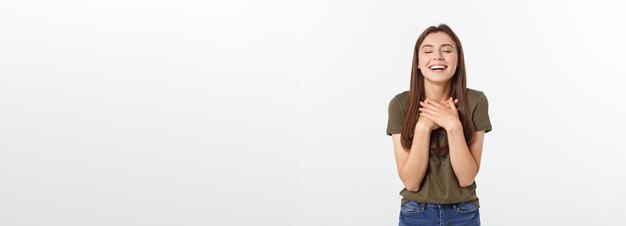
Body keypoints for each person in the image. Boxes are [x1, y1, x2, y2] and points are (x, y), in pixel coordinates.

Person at [386, 23, 492, 226]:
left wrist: (453, 126)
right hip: (416, 212)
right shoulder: (400, 105)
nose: (438, 57)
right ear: (418, 62)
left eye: (447, 50)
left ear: (458, 60)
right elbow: (411, 181)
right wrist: (423, 128)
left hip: (464, 213)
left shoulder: (476, 101)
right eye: (428, 51)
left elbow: (466, 178)